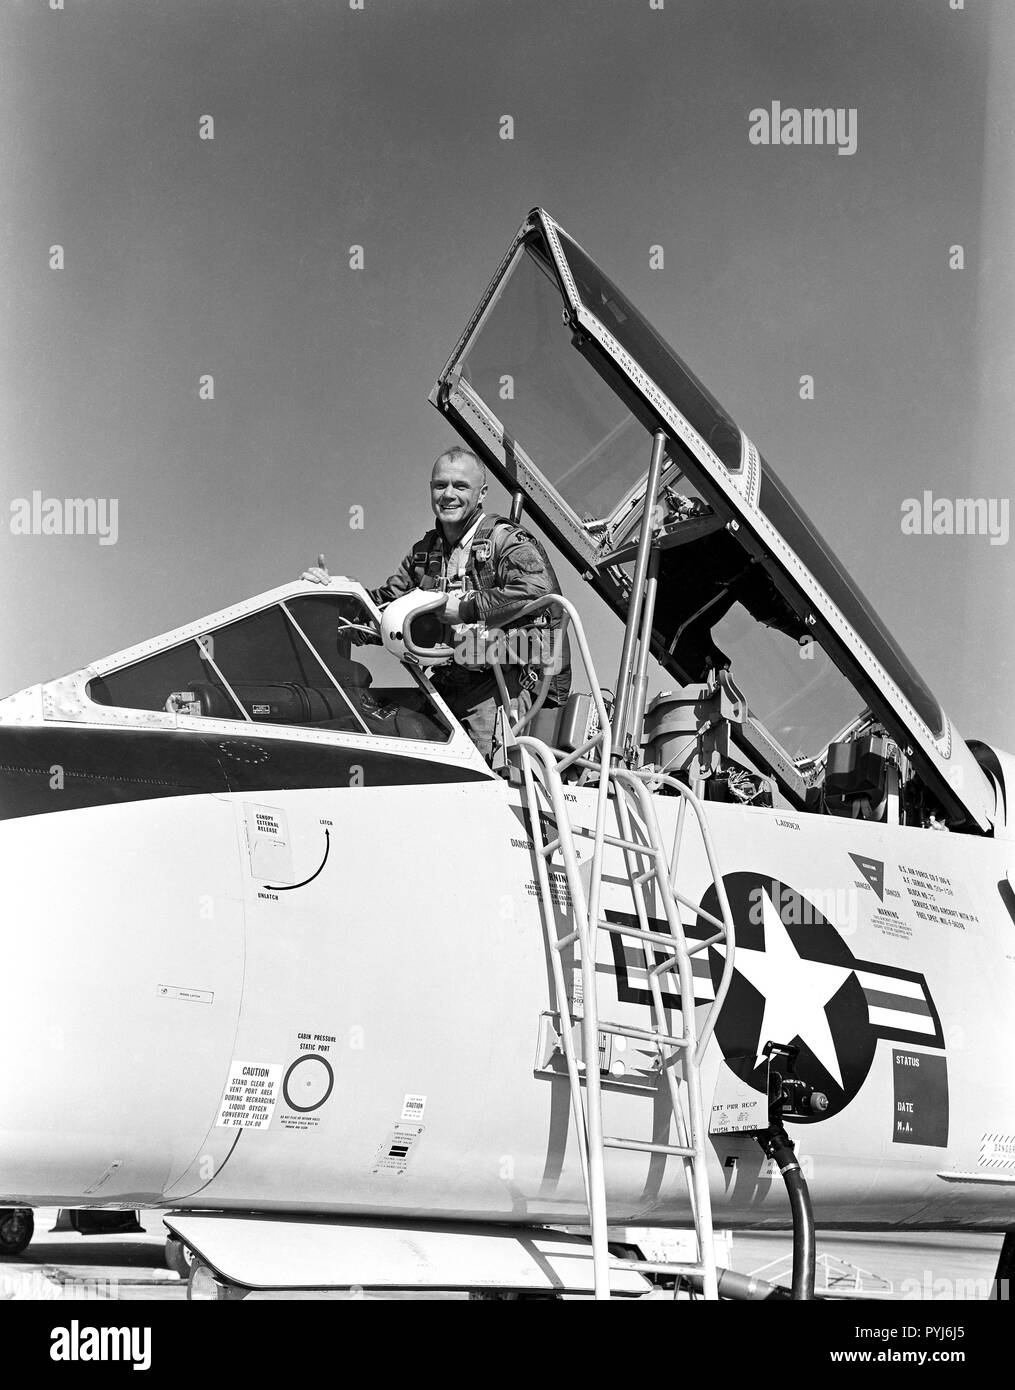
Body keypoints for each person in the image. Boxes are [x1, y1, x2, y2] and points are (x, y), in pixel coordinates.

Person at [303, 446, 570, 761]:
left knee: (482, 774)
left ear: (482, 493)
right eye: (440, 485)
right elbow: (382, 610)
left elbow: (537, 589)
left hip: (502, 682)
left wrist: (466, 609)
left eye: (461, 486)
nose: (448, 494)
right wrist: (331, 597)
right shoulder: (425, 553)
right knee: (415, 755)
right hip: (448, 678)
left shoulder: (505, 540)